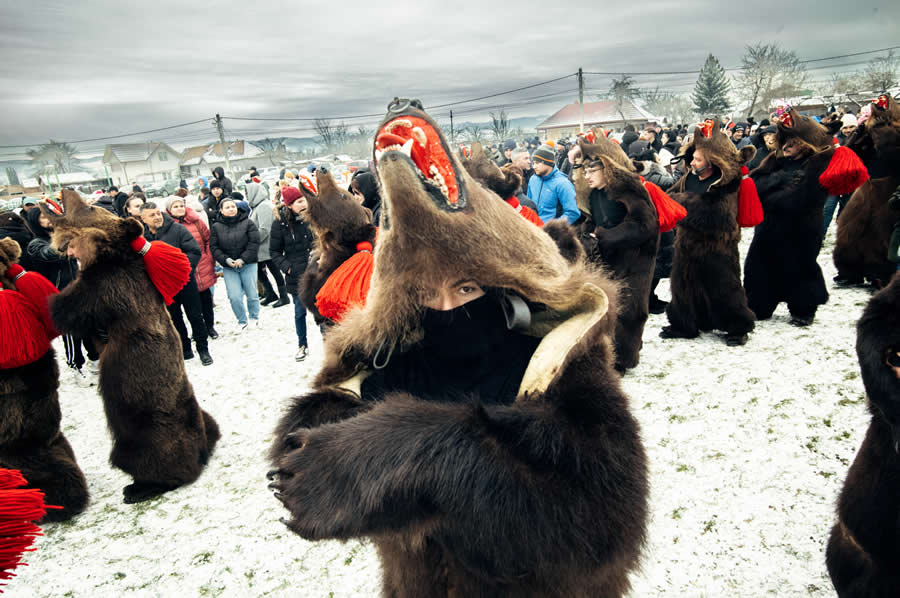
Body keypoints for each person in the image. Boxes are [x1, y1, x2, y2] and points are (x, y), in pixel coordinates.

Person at [268, 103, 647, 597]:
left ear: (503, 287)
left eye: (467, 288)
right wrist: (327, 437)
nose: (446, 306)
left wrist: (429, 448)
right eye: (426, 294)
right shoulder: (396, 361)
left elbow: (607, 531)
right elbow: (305, 455)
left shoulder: (558, 366)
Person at [745, 108, 868, 326]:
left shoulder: (819, 163)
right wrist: (780, 182)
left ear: (804, 142)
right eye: (786, 142)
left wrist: (773, 191)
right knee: (759, 265)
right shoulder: (775, 160)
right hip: (769, 227)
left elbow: (798, 199)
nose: (786, 146)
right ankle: (759, 305)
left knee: (799, 267)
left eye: (792, 142)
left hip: (801, 228)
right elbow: (755, 184)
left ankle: (803, 309)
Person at [663, 119, 757, 346]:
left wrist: (682, 203)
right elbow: (669, 197)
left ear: (712, 162)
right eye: (693, 158)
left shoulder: (727, 182)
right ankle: (685, 323)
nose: (692, 163)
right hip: (687, 243)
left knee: (724, 287)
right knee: (683, 286)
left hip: (718, 246)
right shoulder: (690, 178)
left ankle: (737, 327)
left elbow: (715, 215)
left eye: (697, 159)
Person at [24, 206, 99, 383]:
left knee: (88, 325)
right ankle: (76, 366)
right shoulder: (36, 243)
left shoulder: (63, 235)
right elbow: (51, 253)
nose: (48, 220)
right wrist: (68, 241)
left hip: (78, 287)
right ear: (36, 221)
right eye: (43, 217)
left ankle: (95, 360)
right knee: (71, 332)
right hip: (58, 292)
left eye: (49, 216)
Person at [140, 202, 212, 365]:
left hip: (185, 281)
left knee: (195, 315)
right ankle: (184, 349)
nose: (157, 217)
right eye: (152, 215)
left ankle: (203, 349)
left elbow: (194, 251)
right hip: (163, 286)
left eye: (158, 213)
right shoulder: (142, 237)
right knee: (174, 318)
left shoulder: (177, 229)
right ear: (143, 218)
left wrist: (178, 269)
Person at [269, 186, 315, 361]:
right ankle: (302, 344)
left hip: (317, 272)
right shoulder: (280, 224)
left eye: (303, 200)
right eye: (297, 202)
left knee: (323, 311)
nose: (302, 204)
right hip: (296, 276)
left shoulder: (313, 217)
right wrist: (288, 268)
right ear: (289, 205)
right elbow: (274, 252)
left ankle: (329, 342)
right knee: (299, 313)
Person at [166, 196, 218, 339]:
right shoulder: (168, 226)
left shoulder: (196, 221)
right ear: (169, 210)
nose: (179, 209)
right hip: (183, 269)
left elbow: (208, 239)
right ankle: (197, 330)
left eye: (181, 206)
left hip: (201, 263)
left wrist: (208, 256)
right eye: (175, 207)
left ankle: (210, 327)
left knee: (206, 299)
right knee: (192, 305)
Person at [210, 198, 260, 328]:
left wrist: (242, 259)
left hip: (248, 264)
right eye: (227, 207)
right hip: (229, 267)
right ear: (221, 210)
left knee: (252, 293)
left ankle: (254, 317)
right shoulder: (216, 227)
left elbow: (254, 243)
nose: (231, 209)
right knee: (234, 296)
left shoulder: (248, 223)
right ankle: (242, 320)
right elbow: (214, 247)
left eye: (233, 206)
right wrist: (226, 260)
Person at [247, 181, 288, 307]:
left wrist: (252, 241)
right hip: (260, 248)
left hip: (266, 247)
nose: (247, 195)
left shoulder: (263, 206)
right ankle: (270, 293)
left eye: (247, 193)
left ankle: (283, 296)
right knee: (259, 270)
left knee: (275, 271)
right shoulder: (256, 207)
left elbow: (265, 229)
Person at [527, 144, 579, 224]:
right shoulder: (533, 179)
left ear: (548, 162)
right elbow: (529, 205)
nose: (534, 166)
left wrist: (553, 228)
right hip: (533, 229)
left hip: (551, 233)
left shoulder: (563, 183)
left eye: (537, 163)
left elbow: (573, 212)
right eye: (533, 163)